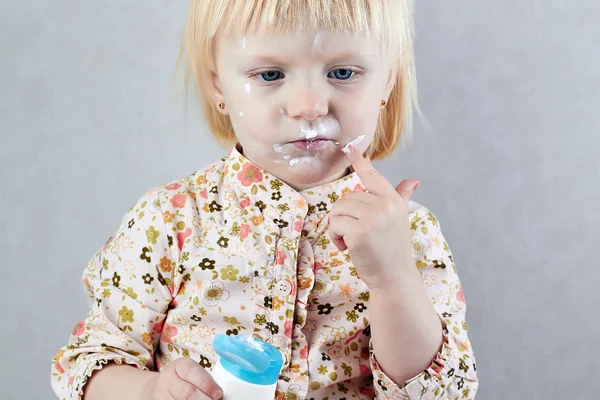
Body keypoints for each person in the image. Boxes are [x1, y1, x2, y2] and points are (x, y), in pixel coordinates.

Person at [51, 1, 478, 399]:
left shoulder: (408, 230)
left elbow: (442, 393)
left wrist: (394, 279)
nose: (309, 107)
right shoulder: (171, 218)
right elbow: (87, 363)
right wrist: (152, 392)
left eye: (343, 73)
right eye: (270, 75)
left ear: (388, 80)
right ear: (219, 84)